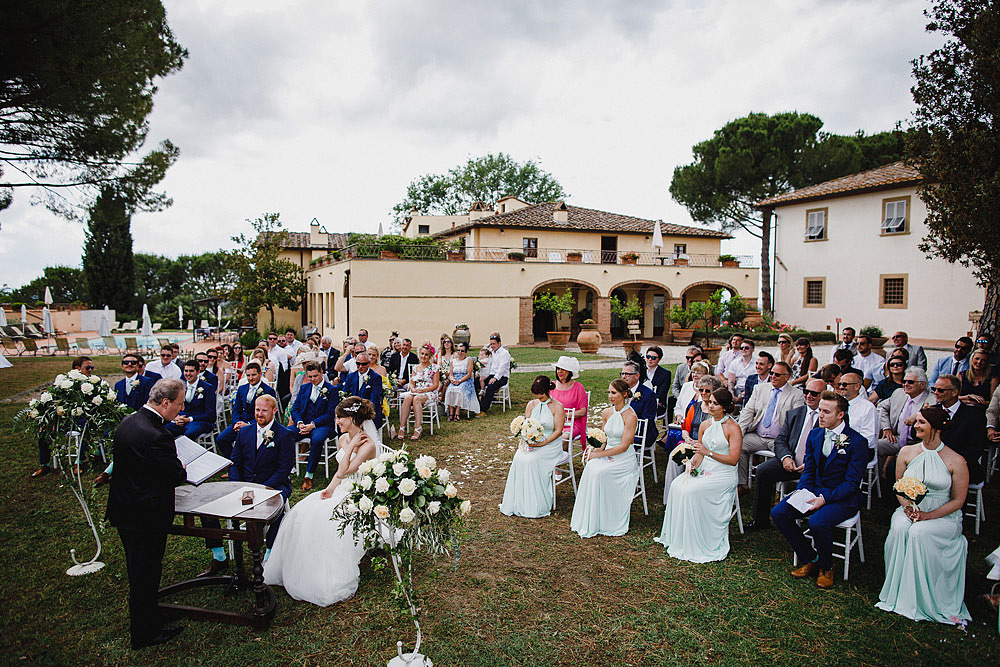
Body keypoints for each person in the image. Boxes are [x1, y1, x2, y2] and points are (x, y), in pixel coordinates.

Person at [264, 397, 379, 606]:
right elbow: (339, 474)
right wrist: (330, 488)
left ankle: (323, 573)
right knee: (302, 511)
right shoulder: (344, 438)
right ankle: (300, 567)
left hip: (359, 492)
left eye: (339, 418)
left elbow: (347, 469)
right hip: (343, 487)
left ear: (352, 418)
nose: (336, 422)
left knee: (324, 518)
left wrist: (353, 443)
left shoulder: (367, 444)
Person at [105, 379, 187, 649]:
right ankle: (144, 633)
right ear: (165, 403)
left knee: (142, 570)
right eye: (178, 403)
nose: (181, 408)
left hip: (125, 508)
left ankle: (150, 615)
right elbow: (175, 474)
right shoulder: (157, 435)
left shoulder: (128, 422)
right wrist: (181, 468)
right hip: (146, 515)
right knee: (145, 573)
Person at [876, 405, 971, 625]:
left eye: (921, 422)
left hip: (944, 516)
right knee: (900, 527)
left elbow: (958, 501)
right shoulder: (907, 452)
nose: (915, 425)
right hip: (909, 510)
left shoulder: (956, 460)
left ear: (936, 428)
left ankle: (923, 598)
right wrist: (908, 507)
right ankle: (896, 593)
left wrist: (929, 516)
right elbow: (898, 485)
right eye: (917, 421)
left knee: (919, 533)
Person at [771, 392, 868, 589]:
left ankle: (827, 566)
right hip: (814, 490)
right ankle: (810, 557)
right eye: (819, 410)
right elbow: (810, 470)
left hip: (842, 497)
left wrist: (825, 498)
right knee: (779, 513)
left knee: (817, 522)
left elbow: (851, 483)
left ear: (840, 415)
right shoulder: (815, 435)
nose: (820, 415)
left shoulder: (857, 442)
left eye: (826, 411)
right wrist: (802, 491)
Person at [200, 394, 295, 576]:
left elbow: (283, 469)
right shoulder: (245, 432)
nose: (260, 414)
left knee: (278, 508)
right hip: (244, 486)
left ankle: (269, 554)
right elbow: (235, 462)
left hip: (273, 485)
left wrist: (262, 490)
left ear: (274, 411)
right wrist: (238, 485)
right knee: (209, 509)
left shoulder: (284, 435)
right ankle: (219, 555)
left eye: (264, 410)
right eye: (257, 410)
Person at [655, 387, 742, 562]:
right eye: (710, 402)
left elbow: (733, 459)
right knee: (677, 485)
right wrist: (693, 463)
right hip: (705, 467)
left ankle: (698, 538)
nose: (710, 406)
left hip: (723, 473)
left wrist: (708, 453)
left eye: (715, 404)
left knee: (690, 491)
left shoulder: (733, 428)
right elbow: (700, 453)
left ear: (724, 407)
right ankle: (680, 537)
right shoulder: (705, 425)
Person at [747, 378, 827, 531]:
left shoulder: (828, 417)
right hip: (790, 461)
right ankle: (760, 520)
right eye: (806, 392)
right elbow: (781, 440)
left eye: (814, 394)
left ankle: (812, 517)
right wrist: (786, 458)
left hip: (814, 467)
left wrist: (811, 464)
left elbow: (830, 450)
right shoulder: (795, 414)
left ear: (823, 395)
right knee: (763, 471)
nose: (809, 396)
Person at [569, 379, 640, 538]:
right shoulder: (607, 413)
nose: (610, 396)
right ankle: (590, 517)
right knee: (591, 467)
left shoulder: (630, 416)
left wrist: (598, 455)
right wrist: (593, 449)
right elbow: (604, 439)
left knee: (599, 472)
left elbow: (624, 446)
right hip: (608, 452)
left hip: (624, 459)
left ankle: (606, 519)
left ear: (624, 394)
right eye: (609, 392)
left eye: (614, 393)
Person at [499, 376, 566, 517]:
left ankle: (535, 503)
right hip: (532, 442)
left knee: (531, 461)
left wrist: (543, 442)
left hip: (551, 444)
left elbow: (558, 431)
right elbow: (526, 425)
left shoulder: (557, 407)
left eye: (540, 393)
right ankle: (519, 501)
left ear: (547, 390)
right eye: (535, 393)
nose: (538, 396)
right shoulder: (531, 404)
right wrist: (526, 438)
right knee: (519, 458)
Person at [737, 361, 804, 489]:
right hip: (758, 435)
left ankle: (779, 491)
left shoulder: (797, 395)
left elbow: (796, 423)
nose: (773, 376)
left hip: (779, 440)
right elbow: (748, 411)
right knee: (738, 445)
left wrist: (785, 442)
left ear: (787, 377)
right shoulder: (760, 389)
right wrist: (739, 432)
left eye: (777, 374)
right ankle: (743, 485)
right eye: (772, 373)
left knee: (785, 456)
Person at [932, 374, 987, 484]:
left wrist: (947, 462)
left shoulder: (974, 416)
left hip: (960, 466)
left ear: (954, 392)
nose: (936, 393)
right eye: (934, 389)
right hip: (931, 462)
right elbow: (916, 436)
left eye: (941, 390)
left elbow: (975, 450)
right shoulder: (932, 411)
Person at [876, 367, 930, 478]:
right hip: (897, 438)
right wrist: (886, 428)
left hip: (918, 442)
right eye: (904, 381)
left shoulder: (931, 398)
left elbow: (935, 412)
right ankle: (879, 482)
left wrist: (917, 416)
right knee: (877, 446)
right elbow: (881, 407)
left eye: (910, 382)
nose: (906, 384)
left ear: (922, 385)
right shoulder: (899, 393)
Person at [397, 344, 439, 440]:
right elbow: (411, 383)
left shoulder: (435, 368)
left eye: (426, 355)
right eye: (422, 354)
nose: (424, 356)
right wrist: (412, 389)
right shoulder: (415, 368)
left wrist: (425, 390)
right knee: (408, 398)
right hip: (417, 391)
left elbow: (436, 385)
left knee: (416, 399)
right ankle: (402, 427)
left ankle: (418, 428)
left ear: (430, 356)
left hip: (429, 391)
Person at [165, 361, 216, 438]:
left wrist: (189, 419)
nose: (188, 374)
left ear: (198, 372)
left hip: (200, 421)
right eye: (186, 371)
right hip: (181, 419)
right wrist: (176, 417)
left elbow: (210, 414)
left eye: (191, 371)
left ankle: (187, 449)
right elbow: (174, 405)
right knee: (164, 430)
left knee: (189, 434)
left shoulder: (208, 388)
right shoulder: (180, 386)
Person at [836, 371, 877, 456]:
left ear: (857, 386)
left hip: (857, 454)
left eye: (845, 384)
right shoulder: (836, 404)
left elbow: (868, 439)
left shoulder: (868, 408)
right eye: (839, 384)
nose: (841, 387)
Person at [342, 352, 386, 429]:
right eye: (358, 364)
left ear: (369, 363)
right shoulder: (351, 376)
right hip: (352, 411)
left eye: (364, 364)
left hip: (369, 412)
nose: (360, 366)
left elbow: (374, 400)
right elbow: (345, 395)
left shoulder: (376, 378)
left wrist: (361, 414)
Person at [550, 356, 587, 445]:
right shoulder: (551, 386)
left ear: (570, 371)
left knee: (563, 438)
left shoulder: (578, 387)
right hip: (553, 423)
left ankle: (563, 458)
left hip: (572, 424)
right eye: (558, 368)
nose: (559, 371)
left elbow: (583, 412)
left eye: (563, 369)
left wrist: (564, 415)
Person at [621, 360, 658, 449]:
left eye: (627, 374)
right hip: (622, 430)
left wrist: (627, 433)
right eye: (622, 374)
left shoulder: (648, 395)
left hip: (641, 434)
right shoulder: (620, 391)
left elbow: (647, 420)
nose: (624, 377)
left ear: (637, 376)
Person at [444, 342, 480, 421]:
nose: (460, 352)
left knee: (459, 390)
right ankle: (451, 413)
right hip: (455, 380)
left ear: (466, 352)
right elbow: (451, 374)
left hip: (465, 380)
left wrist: (460, 381)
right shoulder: (453, 361)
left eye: (462, 351)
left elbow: (469, 374)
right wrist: (452, 379)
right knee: (449, 390)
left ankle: (457, 413)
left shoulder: (469, 360)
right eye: (458, 350)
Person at [478, 332, 511, 415]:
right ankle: (477, 406)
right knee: (475, 382)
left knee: (491, 386)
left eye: (494, 344)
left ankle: (483, 409)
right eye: (491, 344)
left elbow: (502, 368)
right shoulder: (490, 352)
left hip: (502, 377)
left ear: (499, 343)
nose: (492, 346)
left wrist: (495, 378)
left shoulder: (504, 353)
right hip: (490, 375)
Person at [669, 346, 702, 421]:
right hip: (681, 394)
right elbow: (675, 386)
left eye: (692, 358)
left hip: (695, 397)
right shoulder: (681, 368)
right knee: (671, 401)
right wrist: (680, 396)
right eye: (687, 357)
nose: (689, 360)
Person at [643, 346, 672, 419]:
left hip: (657, 404)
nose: (650, 359)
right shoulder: (640, 371)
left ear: (659, 359)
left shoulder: (665, 374)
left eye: (653, 358)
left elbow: (662, 393)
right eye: (648, 357)